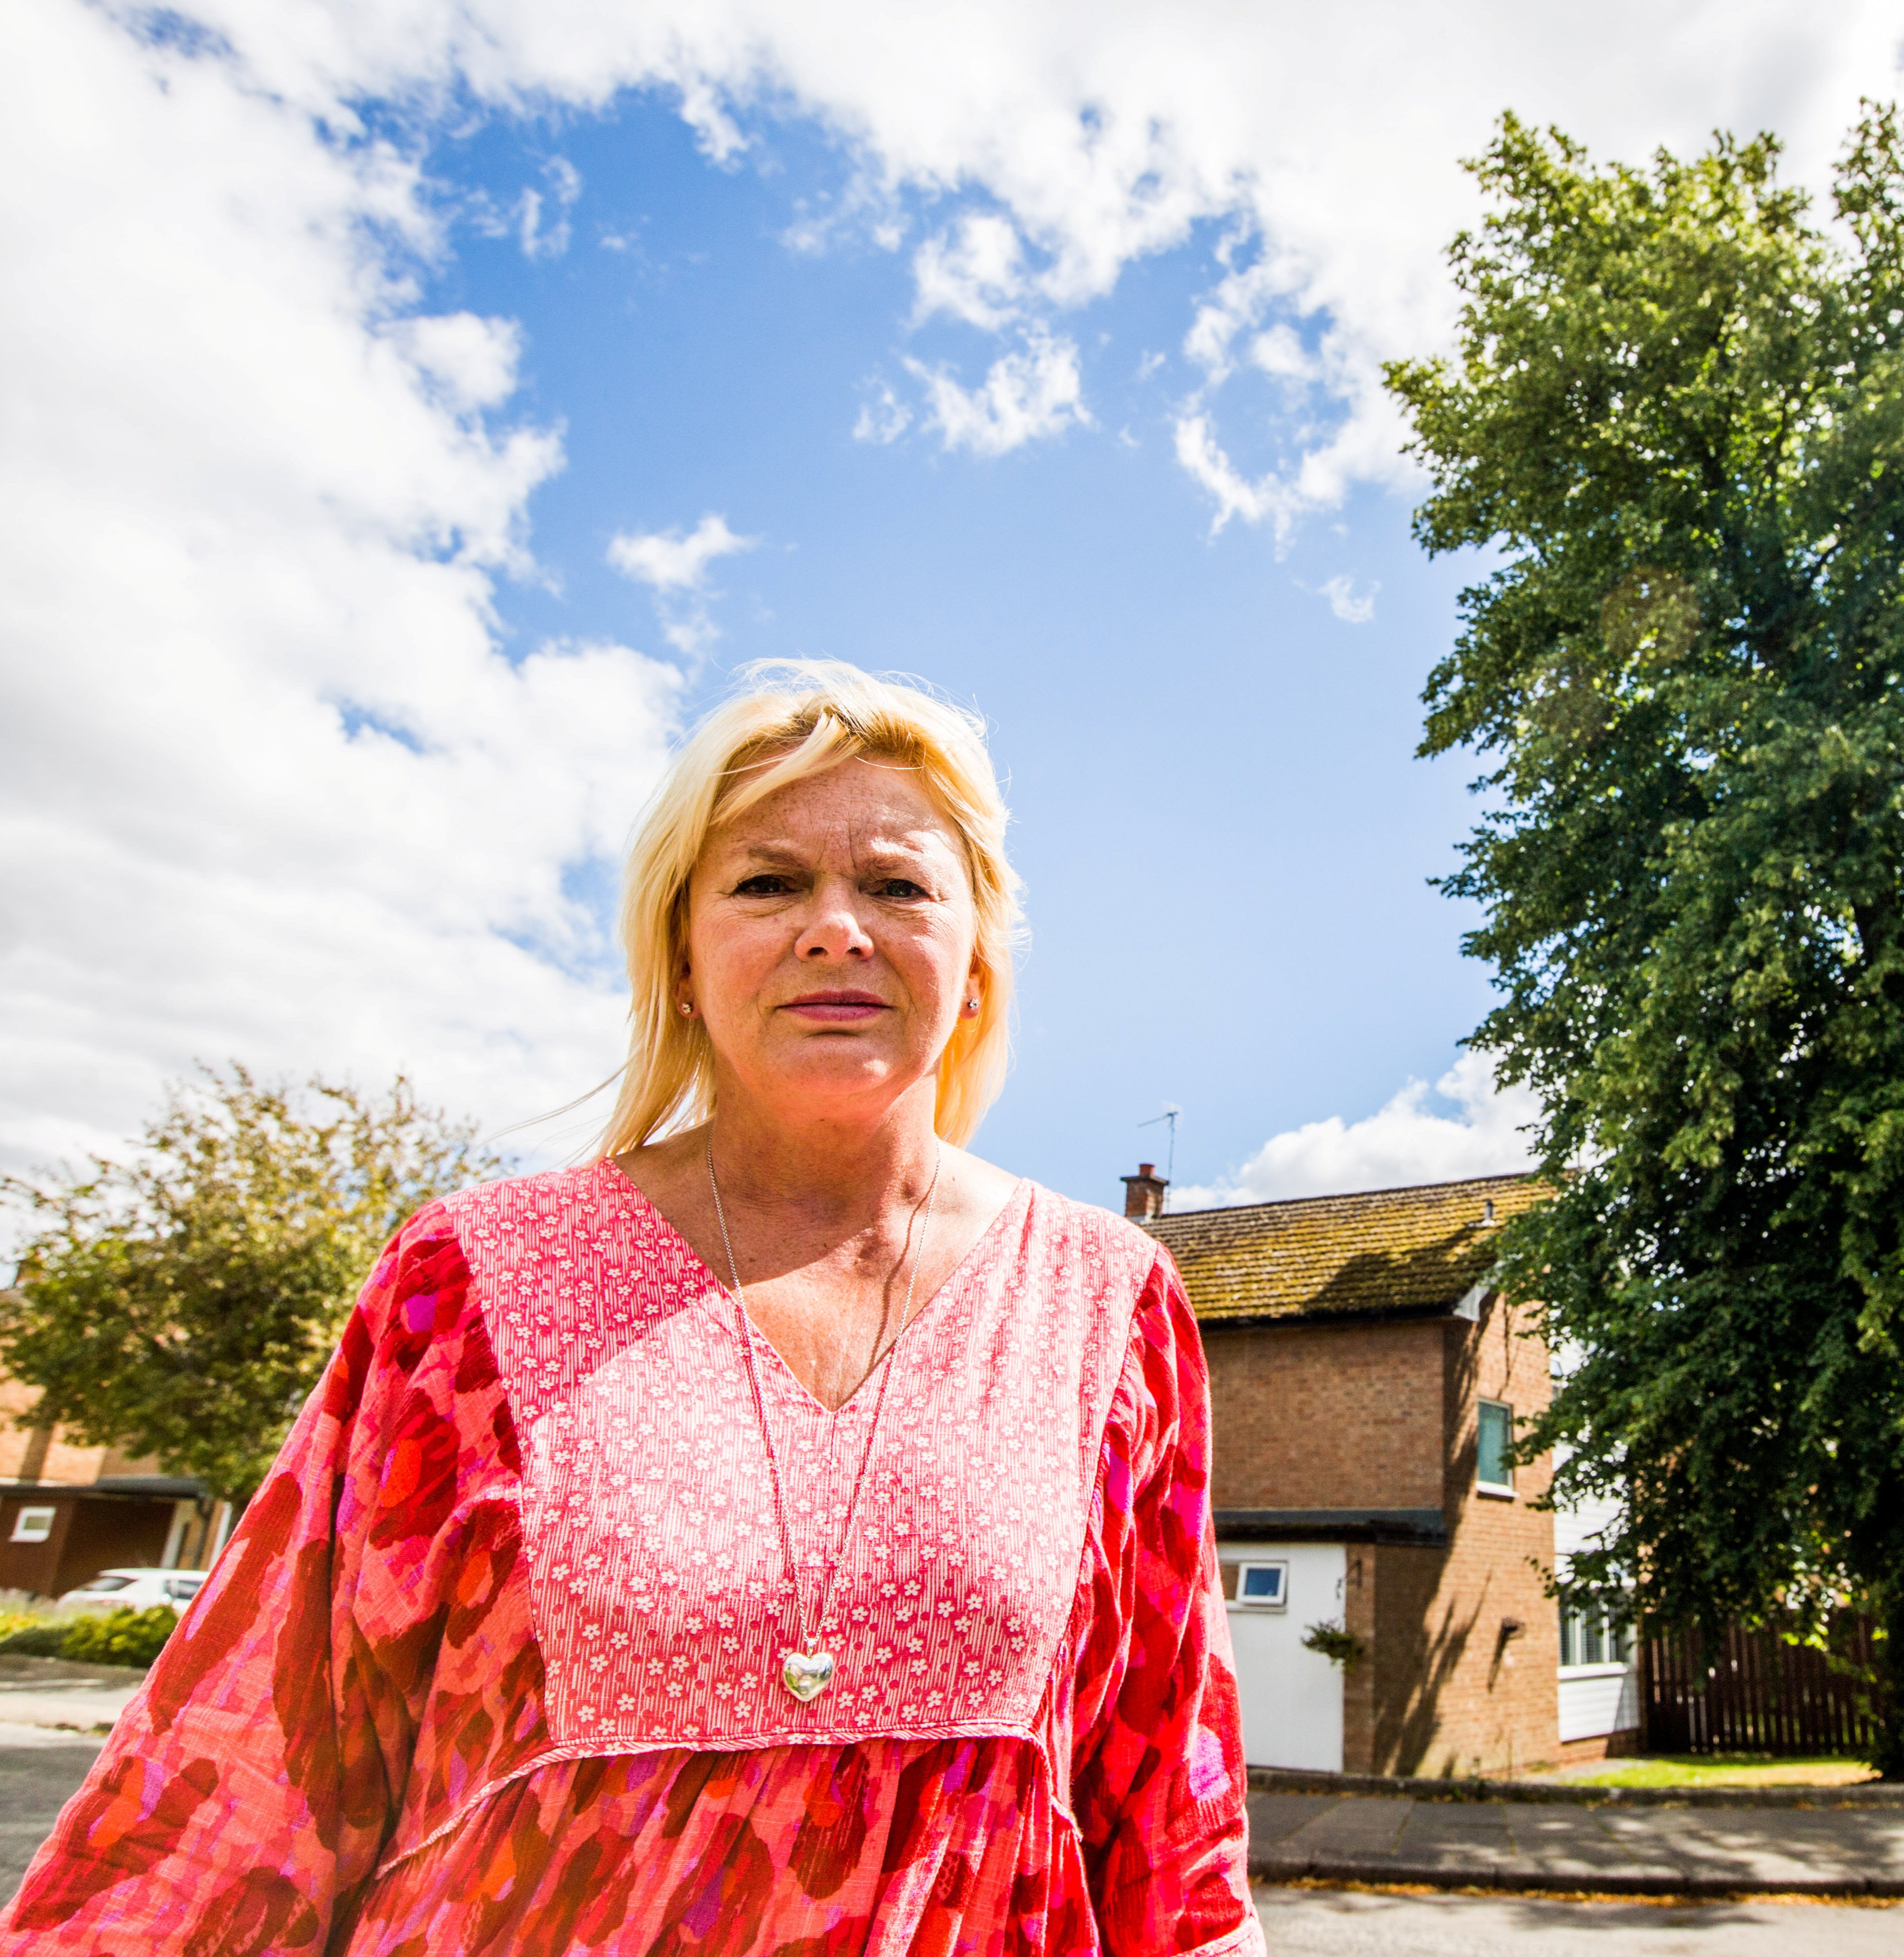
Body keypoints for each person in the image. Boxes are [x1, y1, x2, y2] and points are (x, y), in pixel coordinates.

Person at [4, 664, 1261, 1955]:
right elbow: (250, 1777)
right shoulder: (469, 1283)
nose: (837, 927)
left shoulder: (1108, 1306)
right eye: (768, 883)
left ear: (977, 955)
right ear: (680, 948)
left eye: (897, 884)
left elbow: (1171, 1832)